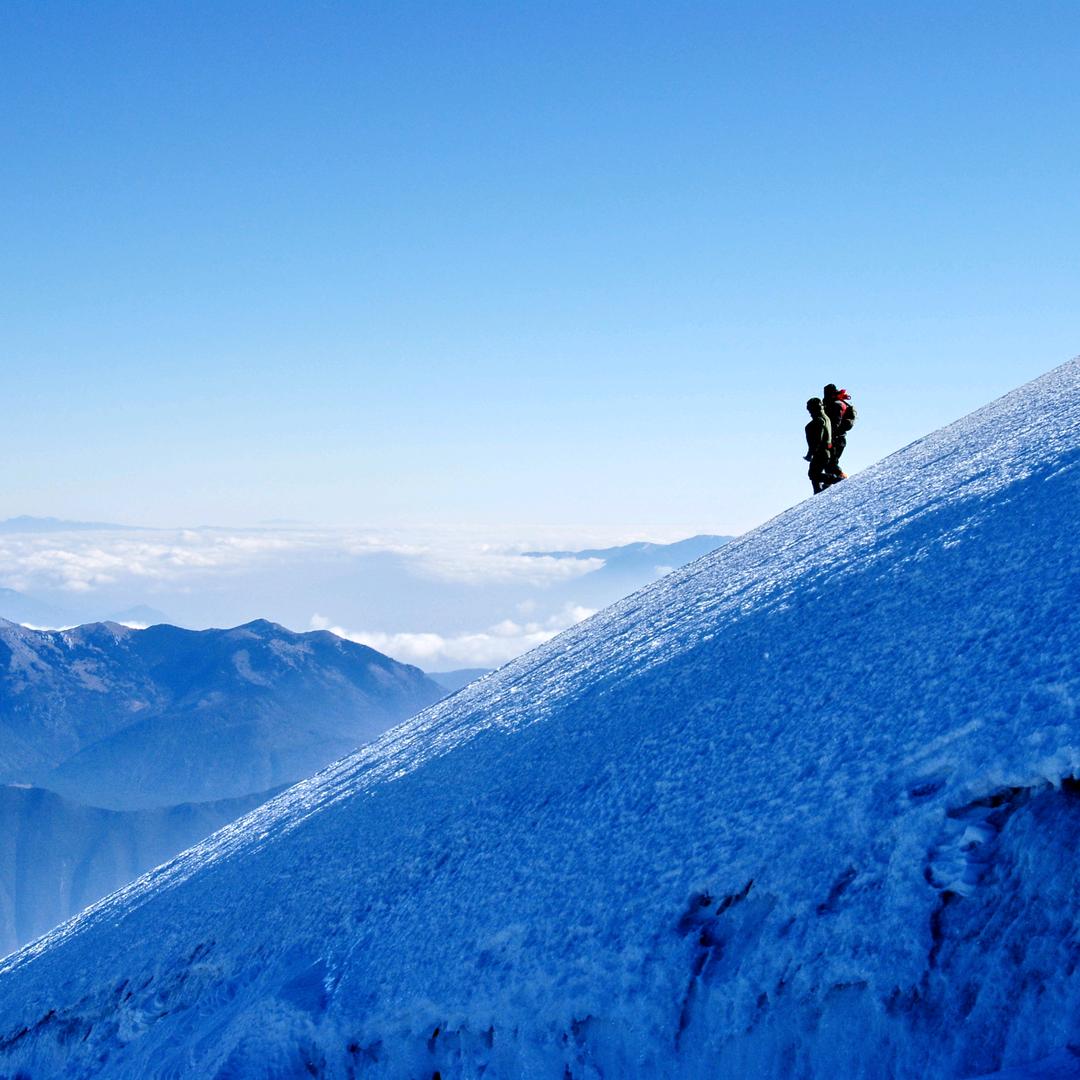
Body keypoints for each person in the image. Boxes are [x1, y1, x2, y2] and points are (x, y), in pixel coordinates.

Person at [823, 384, 856, 481]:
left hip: (836, 438)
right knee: (829, 463)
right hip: (838, 438)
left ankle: (842, 480)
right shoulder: (836, 403)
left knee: (831, 463)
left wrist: (830, 436)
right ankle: (831, 483)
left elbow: (835, 423)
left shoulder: (836, 405)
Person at [804, 398, 833, 494]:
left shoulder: (819, 420)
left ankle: (835, 479)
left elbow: (817, 439)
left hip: (821, 452)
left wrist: (810, 453)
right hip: (825, 451)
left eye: (810, 410)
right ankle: (818, 492)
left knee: (813, 474)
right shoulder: (825, 418)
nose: (809, 413)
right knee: (814, 473)